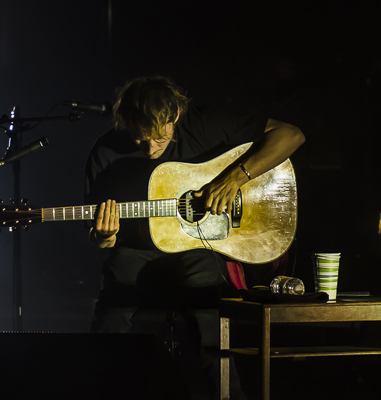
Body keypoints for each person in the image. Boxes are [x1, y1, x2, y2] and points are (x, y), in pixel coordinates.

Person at [84, 76, 305, 398]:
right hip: (136, 249)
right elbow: (99, 238)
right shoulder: (105, 151)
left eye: (159, 138)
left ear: (175, 116)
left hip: (198, 246)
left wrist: (233, 179)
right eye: (139, 138)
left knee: (208, 319)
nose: (150, 148)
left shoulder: (203, 125)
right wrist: (104, 236)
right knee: (109, 319)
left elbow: (292, 135)